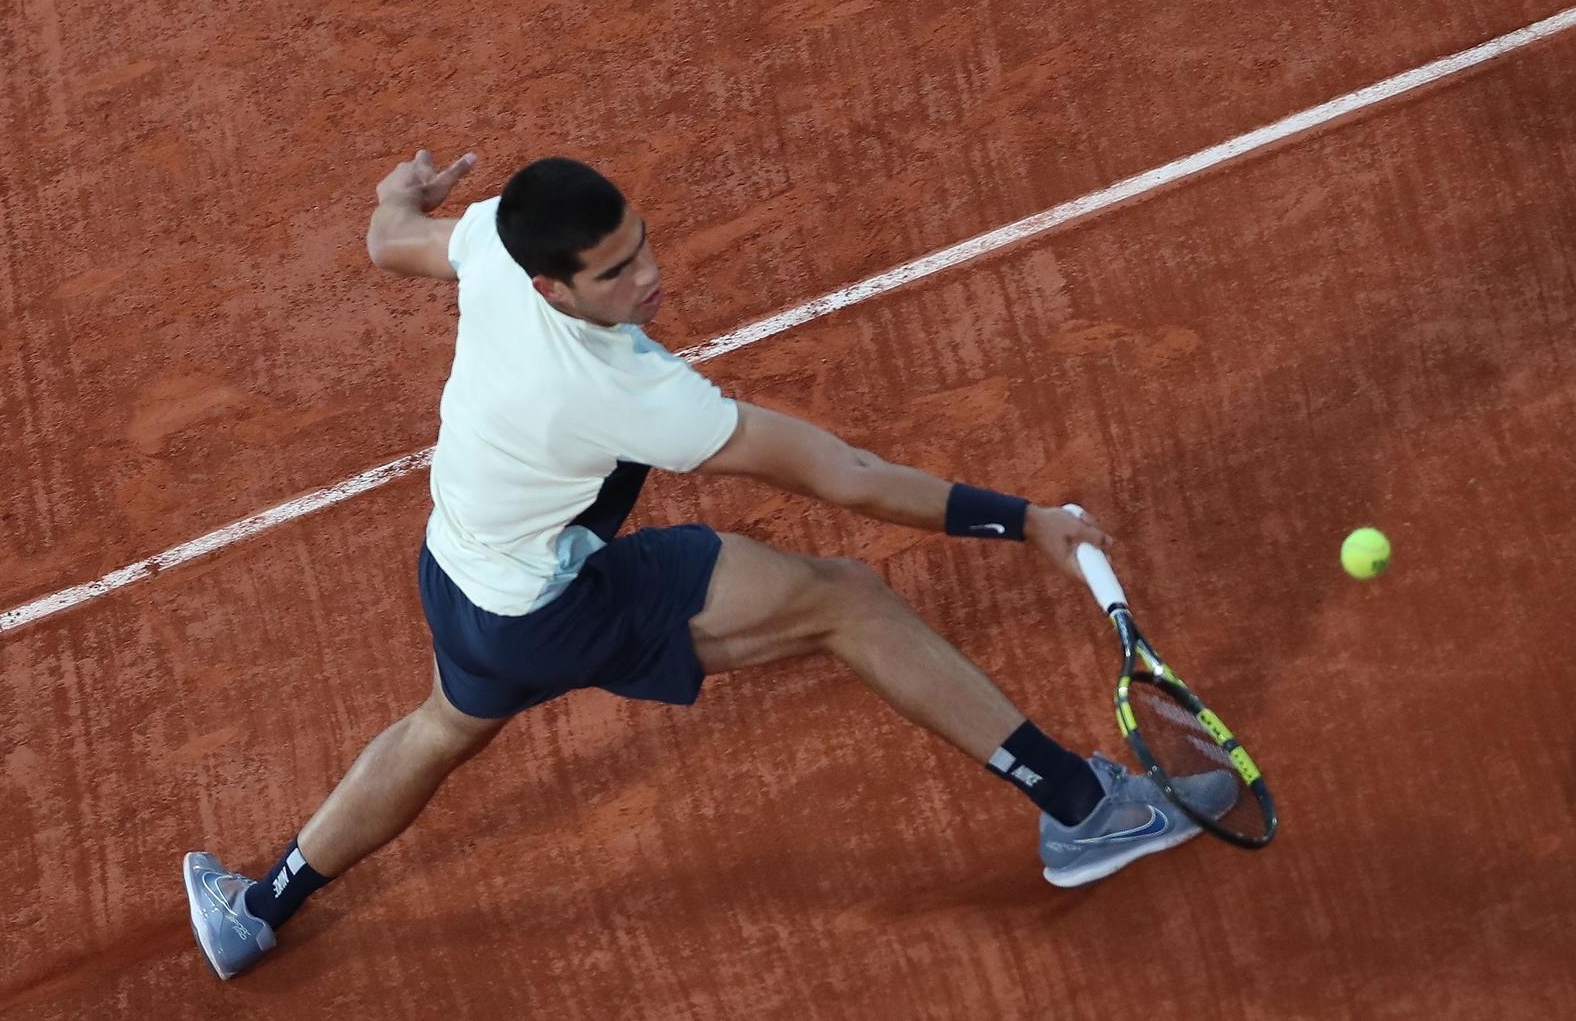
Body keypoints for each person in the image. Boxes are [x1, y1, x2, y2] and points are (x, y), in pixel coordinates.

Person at [184, 151, 1232, 980]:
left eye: (642, 245)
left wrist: (398, 196)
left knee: (440, 727)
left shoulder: (493, 248)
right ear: (550, 284)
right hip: (558, 602)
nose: (648, 277)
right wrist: (1025, 521)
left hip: (461, 578)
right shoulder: (630, 391)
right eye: (614, 273)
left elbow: (388, 237)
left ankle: (257, 909)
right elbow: (844, 474)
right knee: (847, 600)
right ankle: (1084, 813)